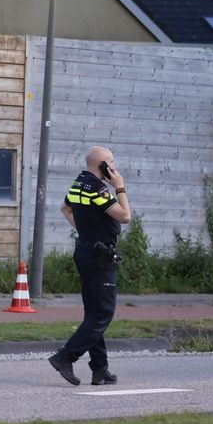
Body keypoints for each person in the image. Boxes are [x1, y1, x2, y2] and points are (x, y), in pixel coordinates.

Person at [48, 145, 131, 386]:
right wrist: (120, 187)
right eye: (111, 163)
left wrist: (85, 231)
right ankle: (65, 357)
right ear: (102, 165)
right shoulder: (98, 189)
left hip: (85, 251)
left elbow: (65, 208)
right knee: (103, 313)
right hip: (98, 257)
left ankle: (99, 368)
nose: (114, 167)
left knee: (94, 312)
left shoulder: (79, 183)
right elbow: (125, 216)